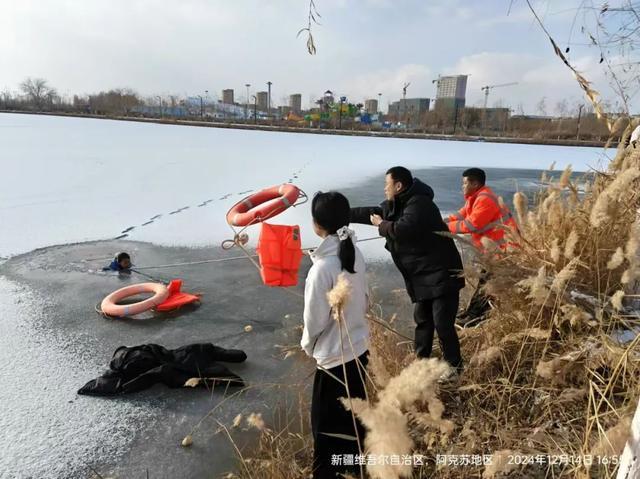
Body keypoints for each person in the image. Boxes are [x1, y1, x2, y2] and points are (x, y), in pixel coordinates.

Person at [350, 166, 465, 376]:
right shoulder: (400, 204)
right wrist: (342, 214)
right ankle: (421, 365)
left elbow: (402, 230)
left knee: (443, 324)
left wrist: (382, 224)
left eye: (387, 185)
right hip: (423, 276)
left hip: (442, 273)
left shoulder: (420, 204)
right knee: (423, 321)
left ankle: (454, 368)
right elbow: (373, 213)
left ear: (398, 185)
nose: (385, 189)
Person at [301, 191, 369, 479]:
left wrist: (308, 345)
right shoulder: (353, 253)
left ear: (318, 225)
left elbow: (314, 321)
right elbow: (365, 300)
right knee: (353, 422)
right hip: (359, 351)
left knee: (326, 432)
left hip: (333, 363)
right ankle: (355, 470)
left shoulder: (322, 269)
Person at [445, 168, 518, 325]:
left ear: (475, 183)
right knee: (485, 282)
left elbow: (471, 225)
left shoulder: (485, 199)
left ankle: (476, 317)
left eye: (465, 183)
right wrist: (442, 221)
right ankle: (471, 313)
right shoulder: (474, 198)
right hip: (494, 251)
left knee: (488, 285)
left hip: (504, 250)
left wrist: (445, 228)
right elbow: (459, 215)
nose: (462, 186)